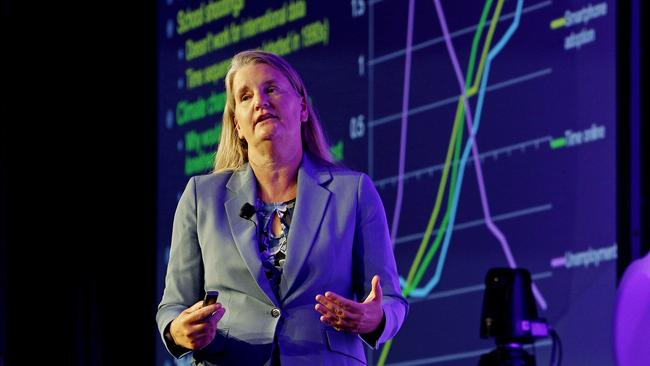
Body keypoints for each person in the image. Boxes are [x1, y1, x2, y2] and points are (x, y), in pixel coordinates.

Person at [156, 50, 408, 365]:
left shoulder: (353, 192)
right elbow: (172, 307)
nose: (260, 101)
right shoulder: (200, 196)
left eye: (271, 89)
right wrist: (179, 331)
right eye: (245, 97)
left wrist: (375, 319)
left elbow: (392, 300)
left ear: (302, 107)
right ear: (237, 124)